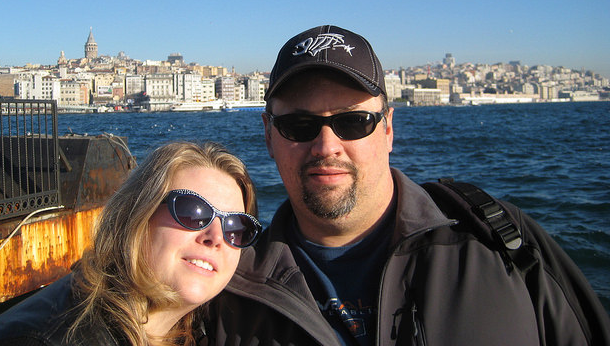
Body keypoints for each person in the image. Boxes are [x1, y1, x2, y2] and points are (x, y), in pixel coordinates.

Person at [208, 25, 610, 345]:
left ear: (387, 129)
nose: (326, 146)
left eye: (352, 122)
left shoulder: (500, 239)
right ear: (268, 134)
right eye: (298, 125)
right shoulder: (226, 284)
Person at [0, 141, 261, 346]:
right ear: (136, 215)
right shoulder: (38, 339)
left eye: (237, 228)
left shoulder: (197, 330)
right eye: (192, 211)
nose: (215, 237)